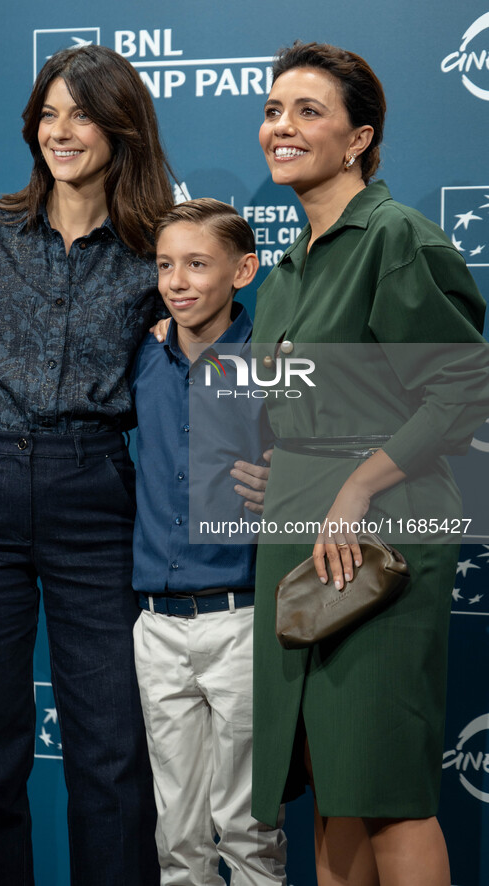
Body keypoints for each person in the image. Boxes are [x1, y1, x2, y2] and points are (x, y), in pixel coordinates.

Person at [0, 44, 175, 886]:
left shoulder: (156, 247)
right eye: (48, 113)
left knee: (113, 751)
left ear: (120, 127)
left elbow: (196, 364)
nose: (61, 131)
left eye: (81, 113)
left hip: (94, 493)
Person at [250, 41, 488, 886]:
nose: (281, 126)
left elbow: (465, 388)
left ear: (358, 140)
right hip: (298, 539)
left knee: (386, 788)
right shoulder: (283, 272)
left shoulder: (395, 239)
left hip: (378, 537)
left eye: (307, 111)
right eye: (274, 109)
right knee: (332, 783)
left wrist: (353, 487)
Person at [130, 198, 286, 885]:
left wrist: (296, 478)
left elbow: (340, 452)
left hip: (243, 621)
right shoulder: (143, 356)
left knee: (249, 829)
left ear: (242, 270)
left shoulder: (271, 360)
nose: (178, 280)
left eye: (197, 264)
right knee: (176, 836)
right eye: (166, 265)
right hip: (157, 627)